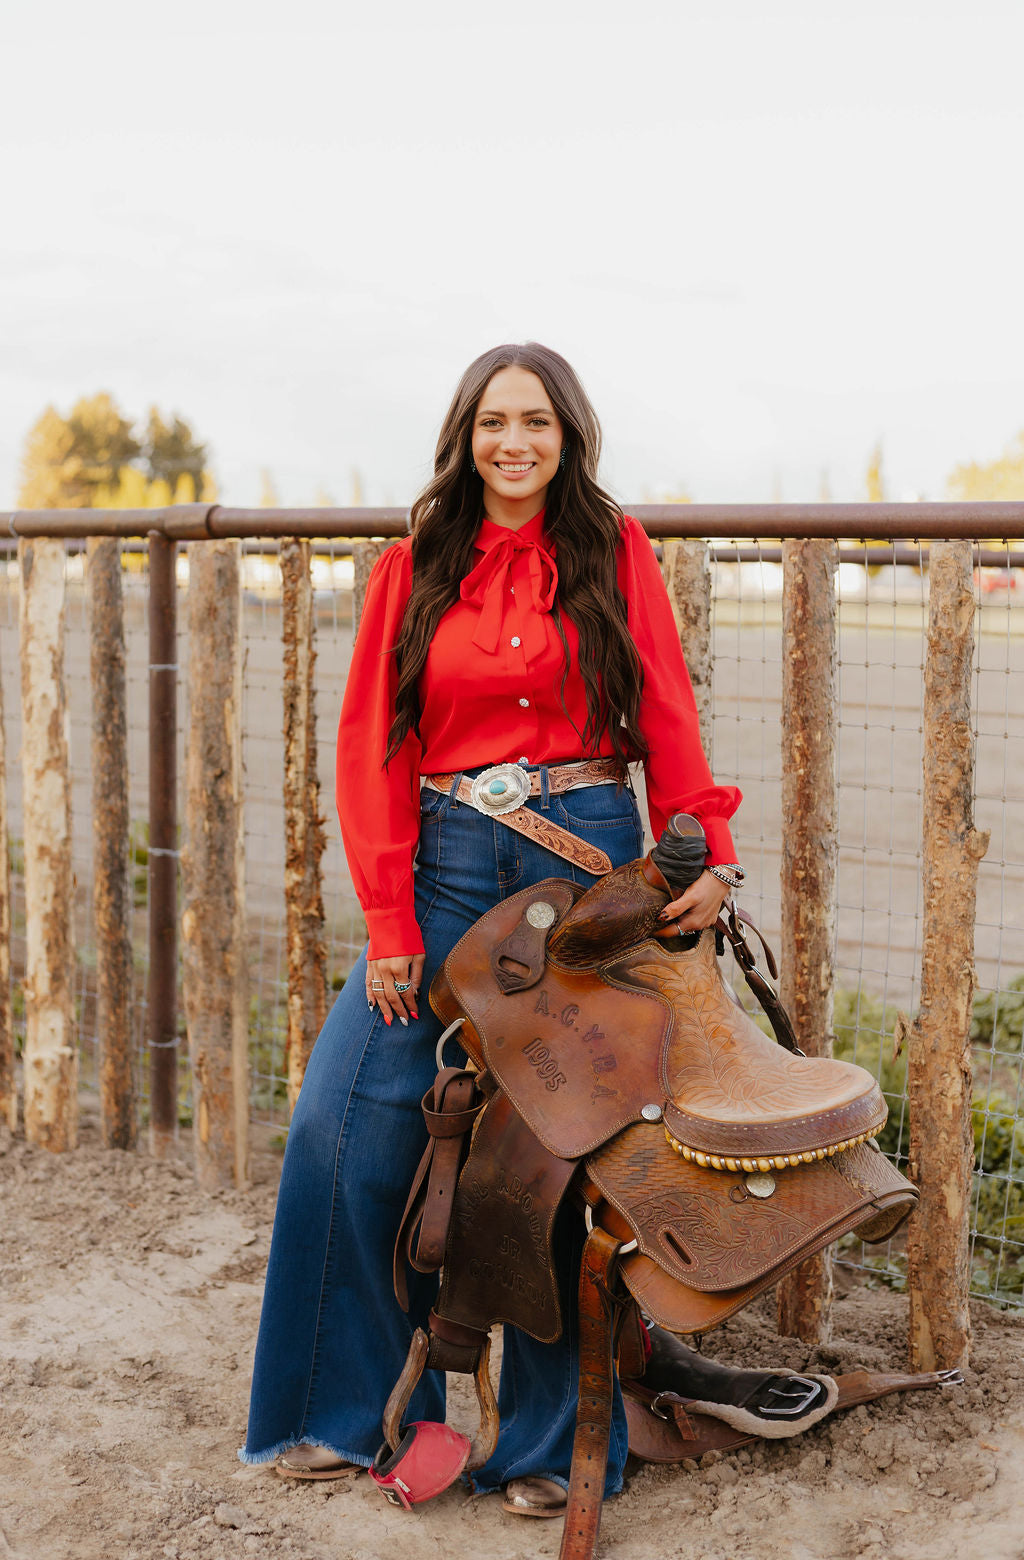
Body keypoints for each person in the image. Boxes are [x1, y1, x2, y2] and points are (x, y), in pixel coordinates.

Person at [240, 341, 767, 1515]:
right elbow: (376, 746)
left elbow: (668, 711)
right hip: (441, 864)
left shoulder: (612, 549)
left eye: (535, 422)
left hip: (583, 857)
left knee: (554, 1144)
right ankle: (351, 1415)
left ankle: (542, 1448)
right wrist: (388, 916)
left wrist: (707, 849)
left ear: (566, 434)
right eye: (492, 423)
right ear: (464, 436)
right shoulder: (413, 565)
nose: (513, 443)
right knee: (344, 1123)